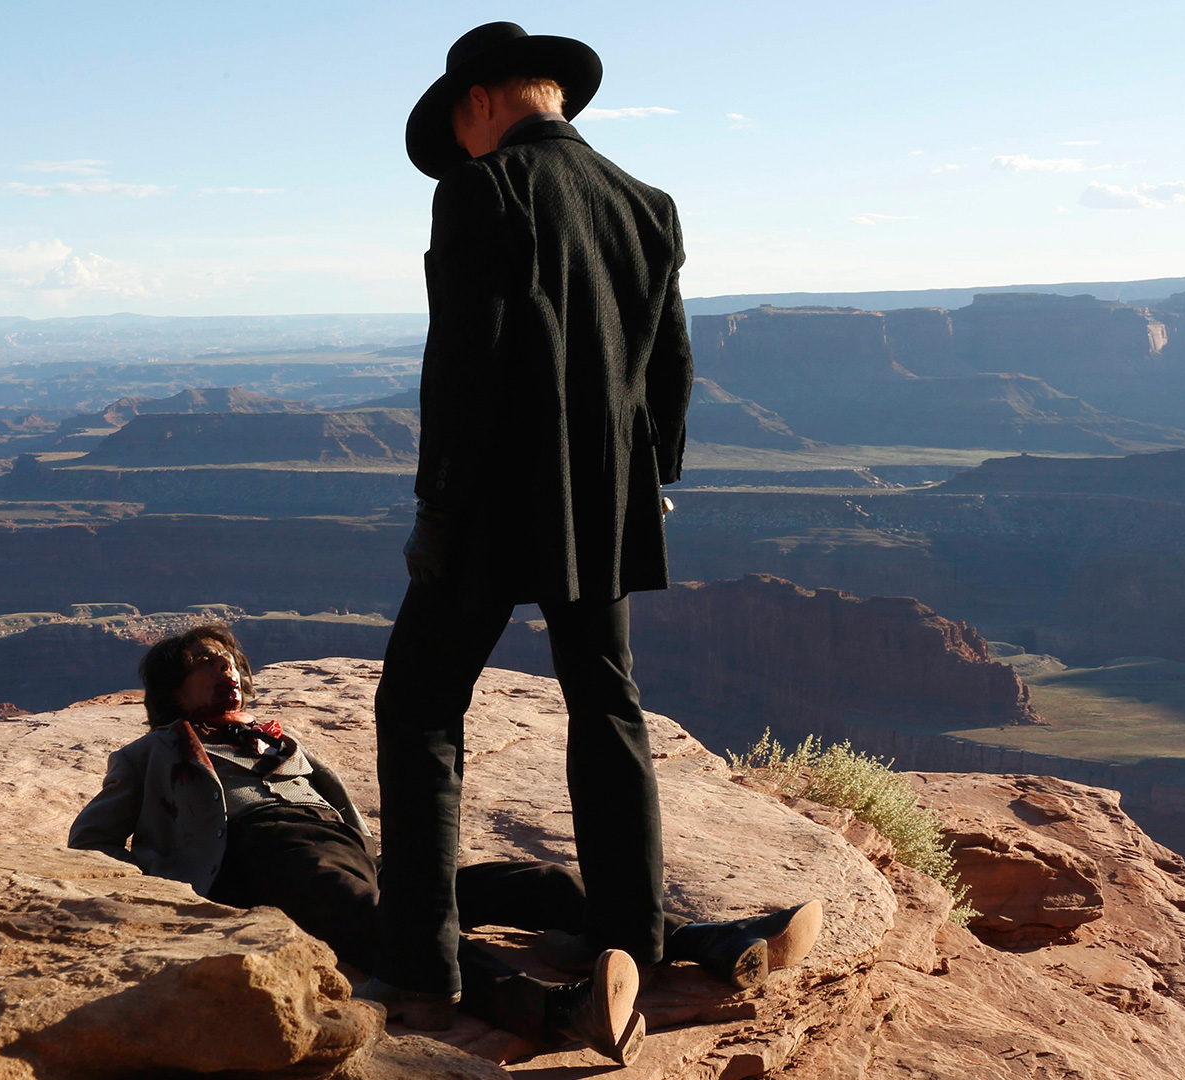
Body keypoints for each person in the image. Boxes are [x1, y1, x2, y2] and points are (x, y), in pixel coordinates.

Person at [69, 626, 823, 1067]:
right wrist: (169, 885)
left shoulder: (279, 743)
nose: (228, 677)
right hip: (270, 862)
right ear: (174, 694)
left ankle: (709, 941)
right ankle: (559, 1013)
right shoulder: (153, 755)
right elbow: (90, 841)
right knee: (416, 936)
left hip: (345, 855)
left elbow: (342, 815)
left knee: (538, 882)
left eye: (232, 667)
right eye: (207, 671)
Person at [372, 22, 700, 1020]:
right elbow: (670, 364)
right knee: (607, 705)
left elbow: (463, 367)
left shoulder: (482, 189)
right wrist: (657, 479)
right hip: (603, 503)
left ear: (480, 101)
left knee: (421, 708)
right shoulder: (647, 203)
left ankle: (425, 966)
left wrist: (437, 507)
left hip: (493, 501)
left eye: (457, 127)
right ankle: (633, 939)